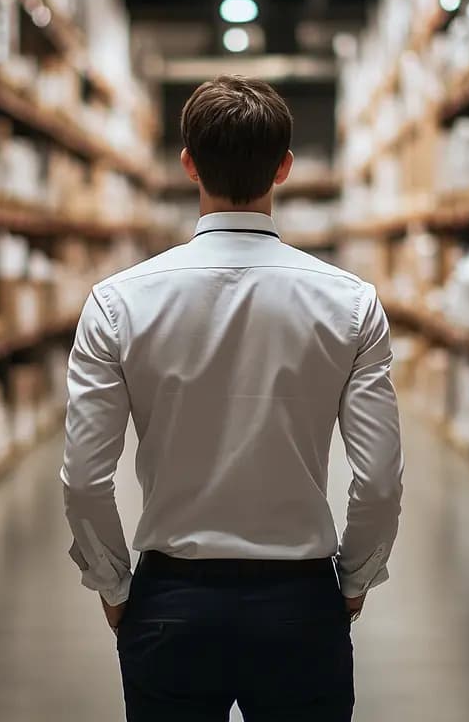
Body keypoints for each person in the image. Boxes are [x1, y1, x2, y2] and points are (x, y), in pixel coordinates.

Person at [61, 75, 403, 721]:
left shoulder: (117, 303)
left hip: (171, 601)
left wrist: (112, 583)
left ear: (188, 163)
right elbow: (379, 478)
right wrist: (355, 580)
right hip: (301, 601)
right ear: (285, 167)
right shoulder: (352, 305)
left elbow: (84, 478)